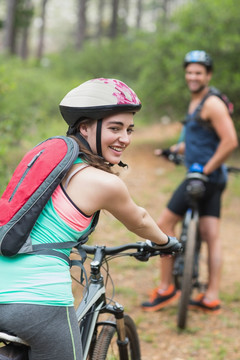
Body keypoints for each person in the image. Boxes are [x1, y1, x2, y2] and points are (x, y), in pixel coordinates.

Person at [0, 78, 181, 360]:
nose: (125, 138)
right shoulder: (102, 182)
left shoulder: (50, 165)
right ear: (84, 127)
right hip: (37, 303)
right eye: (114, 128)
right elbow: (140, 220)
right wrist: (166, 242)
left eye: (129, 129)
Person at [141, 51, 238, 314]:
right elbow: (203, 141)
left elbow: (230, 141)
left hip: (204, 176)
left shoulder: (211, 103)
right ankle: (211, 296)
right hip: (213, 178)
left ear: (208, 75)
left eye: (199, 72)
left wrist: (203, 170)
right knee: (210, 236)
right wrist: (176, 149)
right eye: (190, 72)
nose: (193, 76)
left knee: (163, 224)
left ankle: (166, 288)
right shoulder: (197, 101)